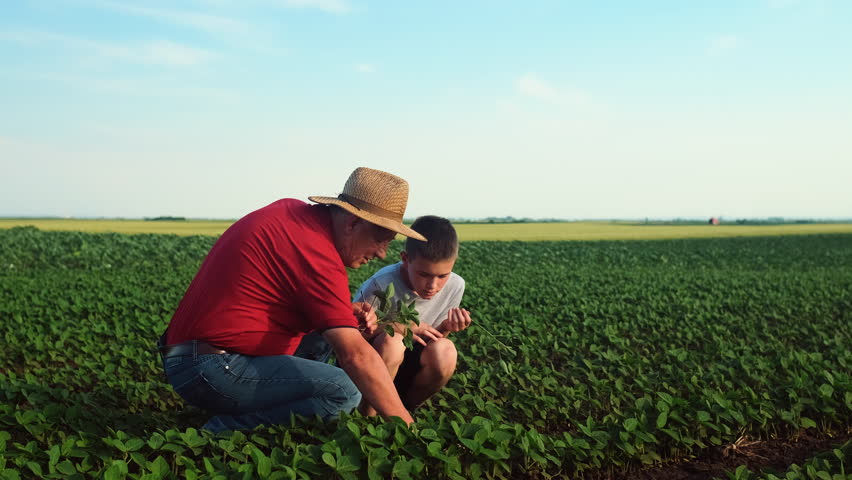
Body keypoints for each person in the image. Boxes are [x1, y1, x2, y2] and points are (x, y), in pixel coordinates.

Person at [158, 167, 426, 432]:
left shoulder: (293, 214)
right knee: (343, 393)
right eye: (381, 240)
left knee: (330, 330)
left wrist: (345, 311)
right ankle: (223, 428)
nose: (381, 253)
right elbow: (355, 355)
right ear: (353, 223)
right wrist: (405, 426)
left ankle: (251, 406)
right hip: (209, 368)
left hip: (192, 357)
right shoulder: (315, 253)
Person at [354, 216, 472, 415]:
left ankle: (405, 410)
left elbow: (431, 341)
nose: (433, 286)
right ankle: (367, 418)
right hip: (368, 365)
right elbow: (352, 337)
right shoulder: (380, 285)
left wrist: (447, 328)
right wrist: (399, 325)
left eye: (442, 276)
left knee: (446, 351)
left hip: (407, 364)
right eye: (424, 274)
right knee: (392, 342)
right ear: (405, 259)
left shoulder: (456, 285)